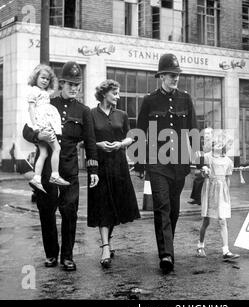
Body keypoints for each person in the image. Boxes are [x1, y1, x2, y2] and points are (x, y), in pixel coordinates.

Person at [23, 61, 99, 271]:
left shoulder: (84, 111)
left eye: (77, 85)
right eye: (70, 84)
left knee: (69, 212)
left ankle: (67, 256)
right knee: (46, 212)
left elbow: (91, 143)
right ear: (62, 83)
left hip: (69, 170)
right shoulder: (47, 102)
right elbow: (26, 129)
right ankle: (51, 255)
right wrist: (37, 135)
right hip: (47, 169)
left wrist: (93, 169)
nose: (74, 88)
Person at [136, 53, 198, 273]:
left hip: (180, 163)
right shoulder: (149, 100)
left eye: (177, 75)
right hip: (157, 162)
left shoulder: (185, 98)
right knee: (162, 207)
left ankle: (167, 244)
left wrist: (197, 162)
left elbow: (193, 132)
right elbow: (140, 132)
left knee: (174, 209)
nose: (175, 79)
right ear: (161, 75)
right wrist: (140, 164)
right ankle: (166, 255)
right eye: (171, 75)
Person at [88, 80, 140, 268]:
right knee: (103, 206)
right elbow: (86, 141)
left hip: (119, 165)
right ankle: (105, 247)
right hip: (100, 166)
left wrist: (121, 144)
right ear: (104, 94)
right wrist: (98, 145)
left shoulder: (122, 114)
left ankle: (107, 241)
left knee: (115, 206)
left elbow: (129, 136)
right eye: (115, 93)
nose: (118, 97)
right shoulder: (91, 114)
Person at [26, 64, 70, 193]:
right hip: (42, 125)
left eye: (47, 79)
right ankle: (55, 175)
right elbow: (31, 109)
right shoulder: (34, 91)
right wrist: (36, 126)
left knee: (44, 153)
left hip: (43, 124)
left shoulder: (43, 92)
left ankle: (37, 178)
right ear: (36, 78)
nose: (45, 81)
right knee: (57, 148)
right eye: (42, 78)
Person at [196, 131, 240, 260]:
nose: (218, 146)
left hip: (222, 192)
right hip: (210, 189)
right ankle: (200, 245)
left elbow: (227, 179)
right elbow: (198, 173)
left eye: (222, 144)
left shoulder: (228, 161)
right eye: (216, 143)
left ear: (225, 146)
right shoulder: (207, 157)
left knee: (222, 220)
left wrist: (227, 194)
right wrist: (203, 172)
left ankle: (226, 250)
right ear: (212, 144)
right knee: (207, 220)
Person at [189, 127, 213, 205]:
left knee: (200, 180)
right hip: (203, 163)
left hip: (210, 164)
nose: (206, 135)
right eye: (205, 133)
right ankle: (197, 198)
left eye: (208, 133)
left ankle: (200, 199)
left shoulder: (213, 143)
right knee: (197, 180)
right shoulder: (202, 142)